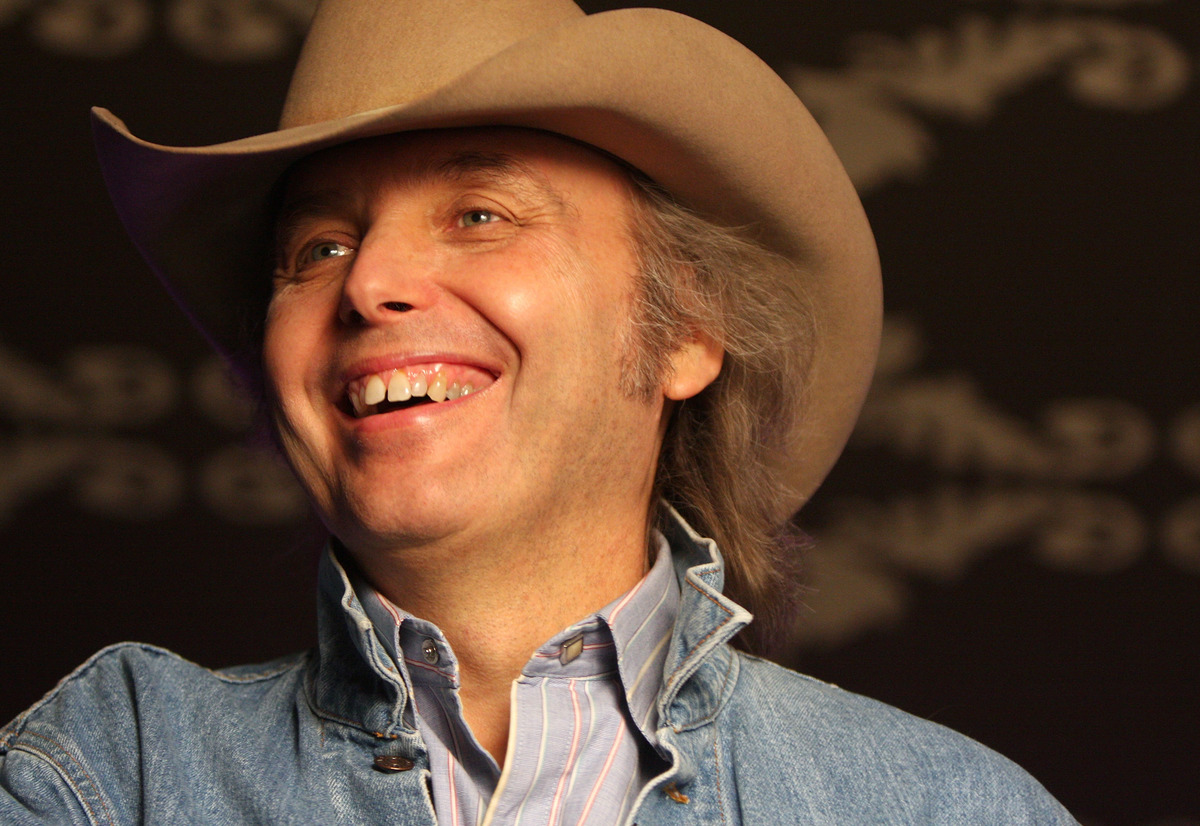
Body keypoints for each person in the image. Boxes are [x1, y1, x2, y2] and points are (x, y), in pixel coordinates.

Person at [1, 0, 1078, 823]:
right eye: (318, 248)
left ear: (685, 332)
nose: (369, 282)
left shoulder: (940, 806)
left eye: (479, 214)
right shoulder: (111, 771)